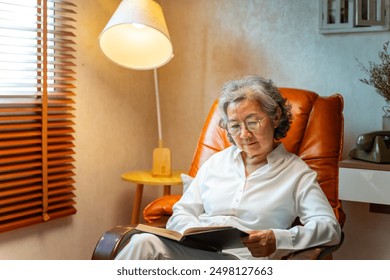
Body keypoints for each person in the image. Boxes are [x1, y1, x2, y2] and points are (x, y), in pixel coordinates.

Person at [115, 75, 341, 260]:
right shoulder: (216, 162)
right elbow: (183, 211)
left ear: (275, 116)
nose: (244, 134)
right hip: (195, 253)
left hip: (244, 261)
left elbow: (329, 227)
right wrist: (191, 233)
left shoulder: (296, 173)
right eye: (234, 125)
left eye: (253, 122)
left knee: (145, 247)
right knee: (143, 240)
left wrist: (278, 238)